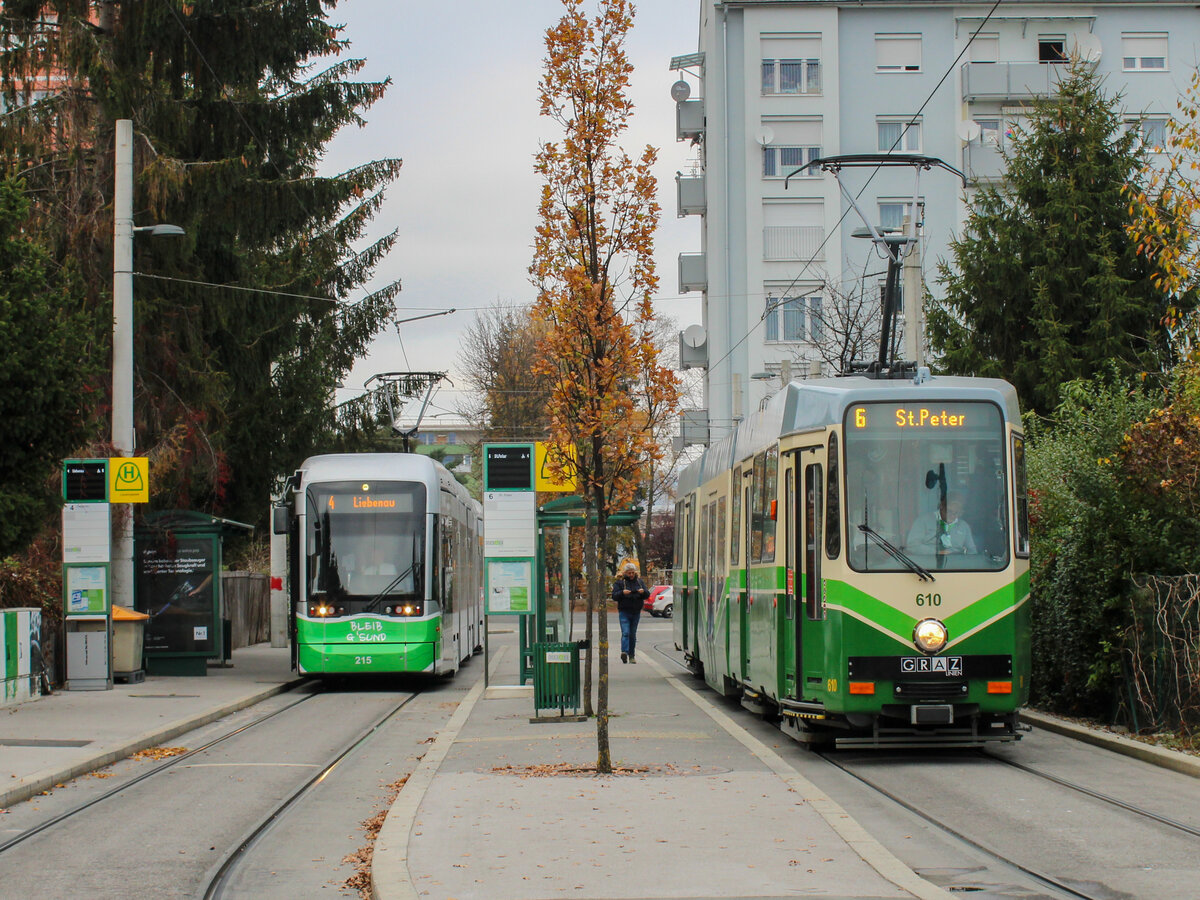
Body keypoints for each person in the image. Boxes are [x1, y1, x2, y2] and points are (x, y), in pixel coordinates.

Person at [905, 491, 977, 557]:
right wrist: (937, 552)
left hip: (956, 564)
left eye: (956, 512)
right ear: (941, 507)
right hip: (929, 563)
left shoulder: (963, 526)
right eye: (949, 511)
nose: (952, 515)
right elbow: (912, 545)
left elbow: (972, 550)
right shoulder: (923, 521)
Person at [611, 562, 649, 664]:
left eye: (632, 572)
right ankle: (624, 652)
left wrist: (643, 592)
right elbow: (614, 596)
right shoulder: (619, 583)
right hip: (624, 611)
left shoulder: (639, 582)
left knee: (633, 634)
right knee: (626, 632)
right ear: (625, 573)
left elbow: (647, 594)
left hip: (636, 612)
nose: (631, 575)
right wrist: (622, 593)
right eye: (629, 573)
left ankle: (632, 655)